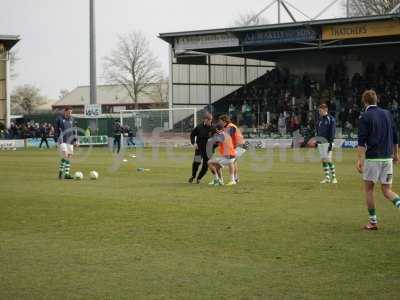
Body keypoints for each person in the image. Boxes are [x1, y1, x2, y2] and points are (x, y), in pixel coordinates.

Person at [356, 90, 400, 230]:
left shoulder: (365, 116)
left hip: (373, 158)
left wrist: (359, 160)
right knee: (387, 190)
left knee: (369, 190)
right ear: (376, 100)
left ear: (365, 101)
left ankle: (373, 222)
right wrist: (396, 153)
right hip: (387, 158)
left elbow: (361, 142)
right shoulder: (387, 113)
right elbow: (395, 136)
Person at [207, 119, 237, 186]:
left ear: (217, 130)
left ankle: (217, 180)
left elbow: (214, 141)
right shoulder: (224, 134)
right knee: (216, 165)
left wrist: (210, 139)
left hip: (228, 157)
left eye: (215, 130)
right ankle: (220, 181)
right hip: (229, 156)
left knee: (209, 162)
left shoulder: (221, 135)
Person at [218, 114, 245, 183]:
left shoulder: (230, 126)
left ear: (224, 121)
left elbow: (228, 136)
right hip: (239, 147)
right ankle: (235, 178)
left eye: (220, 121)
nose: (219, 122)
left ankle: (233, 180)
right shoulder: (228, 127)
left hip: (239, 147)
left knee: (230, 160)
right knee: (233, 161)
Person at [188, 112, 213, 184]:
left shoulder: (213, 128)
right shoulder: (199, 127)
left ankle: (199, 178)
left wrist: (213, 146)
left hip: (208, 151)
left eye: (211, 120)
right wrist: (194, 143)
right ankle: (193, 176)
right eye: (208, 120)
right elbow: (192, 135)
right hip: (199, 149)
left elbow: (217, 139)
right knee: (196, 162)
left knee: (206, 165)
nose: (209, 121)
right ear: (204, 120)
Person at [317, 103, 338, 184]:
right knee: (323, 160)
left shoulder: (331, 119)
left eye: (320, 110)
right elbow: (318, 132)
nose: (319, 112)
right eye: (319, 110)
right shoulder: (320, 120)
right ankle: (327, 178)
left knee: (328, 159)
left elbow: (332, 132)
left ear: (325, 110)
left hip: (327, 143)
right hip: (320, 143)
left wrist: (331, 143)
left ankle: (334, 178)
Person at [55, 107, 77, 179]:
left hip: (70, 141)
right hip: (62, 140)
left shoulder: (72, 119)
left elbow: (74, 130)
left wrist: (75, 140)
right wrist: (56, 141)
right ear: (65, 111)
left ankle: (65, 174)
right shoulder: (59, 119)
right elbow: (56, 131)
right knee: (65, 155)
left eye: (71, 112)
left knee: (69, 157)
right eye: (69, 112)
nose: (70, 113)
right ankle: (61, 173)